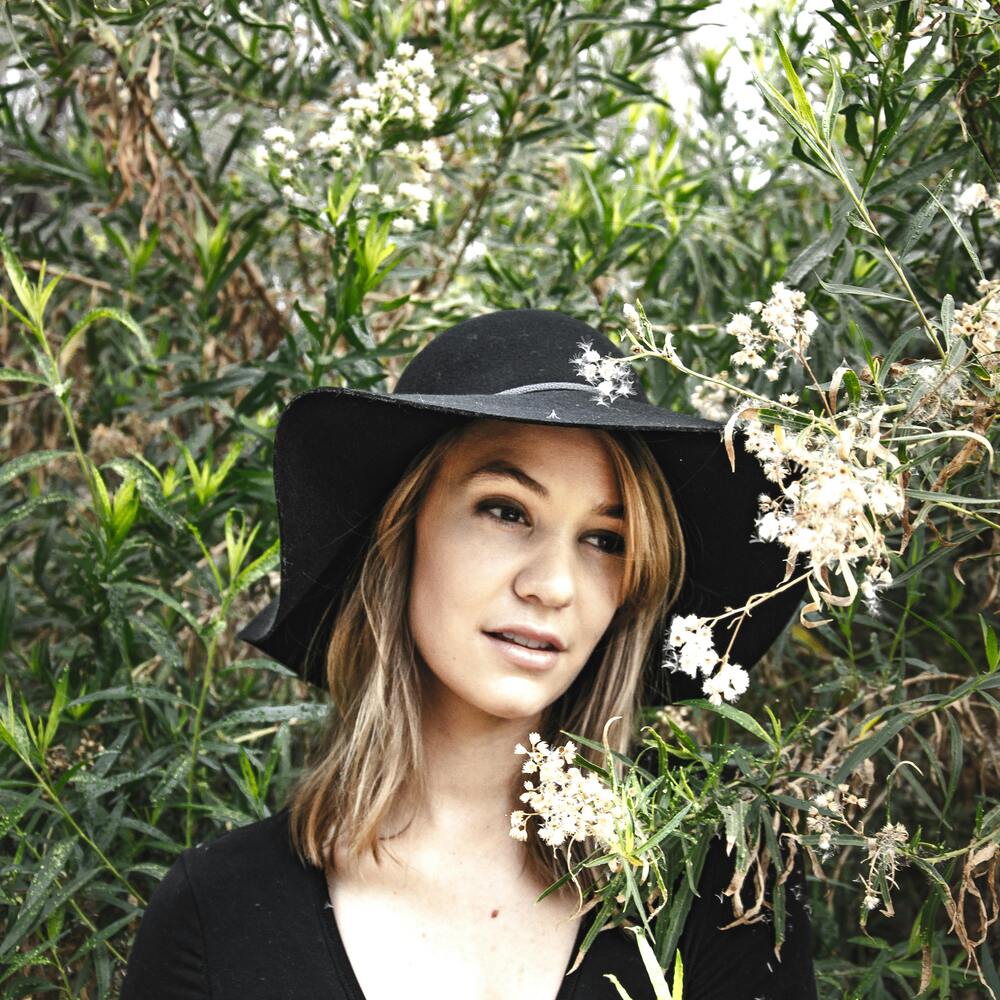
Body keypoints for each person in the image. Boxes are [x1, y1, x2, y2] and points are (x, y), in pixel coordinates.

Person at [120, 309, 817, 1000]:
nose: (551, 586)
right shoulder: (218, 917)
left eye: (606, 540)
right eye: (507, 511)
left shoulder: (725, 886)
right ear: (403, 528)